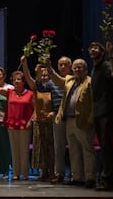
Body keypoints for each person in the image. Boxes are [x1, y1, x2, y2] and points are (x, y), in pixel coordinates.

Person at [47, 58, 96, 188]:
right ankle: (77, 177)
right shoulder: (70, 80)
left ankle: (90, 177)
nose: (77, 69)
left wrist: (90, 120)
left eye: (80, 67)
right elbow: (58, 80)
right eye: (75, 67)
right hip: (69, 120)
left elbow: (93, 103)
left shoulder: (89, 82)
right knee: (73, 150)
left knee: (87, 150)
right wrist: (50, 69)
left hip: (83, 121)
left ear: (85, 68)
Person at [88, 41, 113, 191]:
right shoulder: (94, 69)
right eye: (90, 48)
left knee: (106, 145)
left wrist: (111, 55)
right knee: (104, 146)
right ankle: (111, 179)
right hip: (97, 111)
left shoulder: (107, 65)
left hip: (106, 110)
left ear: (102, 51)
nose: (92, 50)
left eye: (95, 48)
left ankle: (108, 179)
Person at [0, 70, 34, 181]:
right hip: (12, 124)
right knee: (14, 150)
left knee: (24, 150)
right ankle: (15, 173)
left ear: (23, 81)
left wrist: (31, 121)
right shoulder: (10, 92)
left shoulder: (30, 94)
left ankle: (24, 173)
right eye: (14, 79)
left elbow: (36, 109)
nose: (16, 81)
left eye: (18, 79)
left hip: (24, 124)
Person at [20, 56, 54, 181]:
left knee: (50, 147)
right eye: (42, 75)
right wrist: (24, 63)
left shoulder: (53, 88)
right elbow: (27, 76)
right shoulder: (36, 86)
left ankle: (52, 171)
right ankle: (43, 171)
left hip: (50, 122)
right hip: (39, 121)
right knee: (40, 148)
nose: (44, 77)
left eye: (46, 76)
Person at [49, 56, 72, 184]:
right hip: (58, 116)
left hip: (71, 117)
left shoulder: (74, 80)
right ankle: (59, 173)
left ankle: (76, 173)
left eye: (65, 65)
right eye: (60, 65)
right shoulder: (53, 81)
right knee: (59, 147)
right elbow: (41, 91)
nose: (63, 67)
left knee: (74, 147)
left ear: (70, 66)